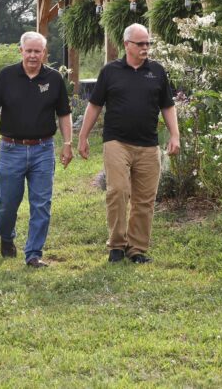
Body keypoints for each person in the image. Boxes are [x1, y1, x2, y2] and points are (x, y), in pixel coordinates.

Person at [77, 23, 180, 264]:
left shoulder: (157, 71)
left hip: (148, 144)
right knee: (118, 191)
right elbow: (94, 105)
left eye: (148, 44)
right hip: (117, 142)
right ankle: (116, 245)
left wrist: (175, 135)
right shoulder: (110, 71)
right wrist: (82, 136)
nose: (145, 48)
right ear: (126, 45)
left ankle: (137, 250)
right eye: (140, 44)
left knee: (145, 199)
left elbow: (168, 106)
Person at [0, 31, 73, 268]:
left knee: (41, 203)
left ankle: (33, 254)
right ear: (21, 51)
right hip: (12, 149)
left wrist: (68, 144)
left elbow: (64, 114)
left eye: (37, 51)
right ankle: (7, 236)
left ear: (44, 53)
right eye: (28, 51)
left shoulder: (54, 79)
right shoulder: (7, 76)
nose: (33, 55)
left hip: (43, 149)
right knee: (7, 203)